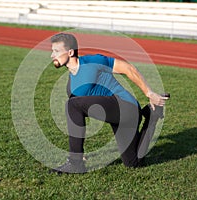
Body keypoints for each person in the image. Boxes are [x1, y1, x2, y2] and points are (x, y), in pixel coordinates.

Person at [49, 33, 168, 174]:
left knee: (72, 104)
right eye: (52, 51)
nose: (52, 55)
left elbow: (128, 69)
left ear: (70, 52)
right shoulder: (71, 87)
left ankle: (75, 163)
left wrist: (149, 93)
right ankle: (152, 115)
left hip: (126, 106)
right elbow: (78, 117)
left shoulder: (93, 61)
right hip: (117, 116)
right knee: (133, 162)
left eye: (56, 51)